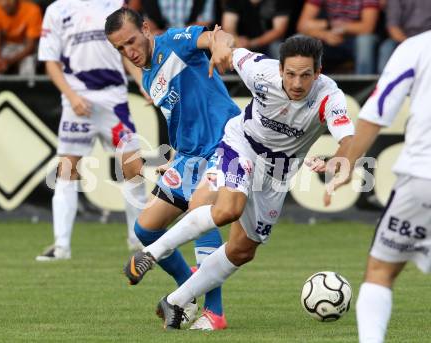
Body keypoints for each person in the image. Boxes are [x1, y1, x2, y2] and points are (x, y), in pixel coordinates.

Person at [122, 34, 355, 330]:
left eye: (306, 75)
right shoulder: (260, 70)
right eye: (291, 74)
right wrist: (219, 49)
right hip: (241, 145)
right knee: (227, 209)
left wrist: (341, 160)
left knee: (243, 250)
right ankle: (151, 253)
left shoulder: (328, 97)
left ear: (318, 73)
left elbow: (347, 138)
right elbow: (225, 47)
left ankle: (176, 301)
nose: (297, 83)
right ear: (280, 69)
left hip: (276, 174)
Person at [105, 8, 240, 330]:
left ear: (147, 29)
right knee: (145, 229)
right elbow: (183, 118)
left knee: (199, 210)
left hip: (223, 142)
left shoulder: (175, 42)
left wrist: (221, 46)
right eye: (121, 49)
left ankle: (215, 313)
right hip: (188, 157)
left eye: (131, 42)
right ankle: (188, 288)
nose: (130, 52)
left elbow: (213, 36)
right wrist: (175, 157)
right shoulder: (150, 77)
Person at [325, 30, 431, 343]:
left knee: (381, 272)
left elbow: (377, 110)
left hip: (422, 176)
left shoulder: (417, 47)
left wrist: (347, 164)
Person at [35, 0, 147, 261]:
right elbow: (50, 61)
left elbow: (126, 49)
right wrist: (72, 96)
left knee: (133, 165)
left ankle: (138, 238)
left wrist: (143, 81)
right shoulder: (56, 10)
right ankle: (61, 246)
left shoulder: (115, 3)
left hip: (114, 99)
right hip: (78, 100)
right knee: (67, 168)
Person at [297, 0, 379, 74]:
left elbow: (368, 27)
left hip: (355, 40)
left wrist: (343, 28)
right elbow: (302, 25)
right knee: (299, 39)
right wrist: (326, 33)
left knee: (365, 41)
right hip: (328, 37)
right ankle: (303, 84)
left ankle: (364, 86)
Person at [221, 0, 294, 59]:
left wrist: (252, 43)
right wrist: (237, 41)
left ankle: (280, 73)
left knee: (278, 47)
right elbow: (228, 27)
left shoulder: (280, 2)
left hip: (268, 43)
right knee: (226, 45)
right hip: (240, 43)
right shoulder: (233, 1)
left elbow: (278, 31)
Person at [377, 0, 431, 73]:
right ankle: (384, 82)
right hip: (403, 39)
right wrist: (410, 44)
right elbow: (393, 27)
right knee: (386, 48)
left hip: (428, 39)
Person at [0, 0, 42, 76]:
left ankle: (27, 88)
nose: (5, 3)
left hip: (25, 48)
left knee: (28, 64)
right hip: (6, 46)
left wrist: (9, 62)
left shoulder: (32, 9)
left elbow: (31, 47)